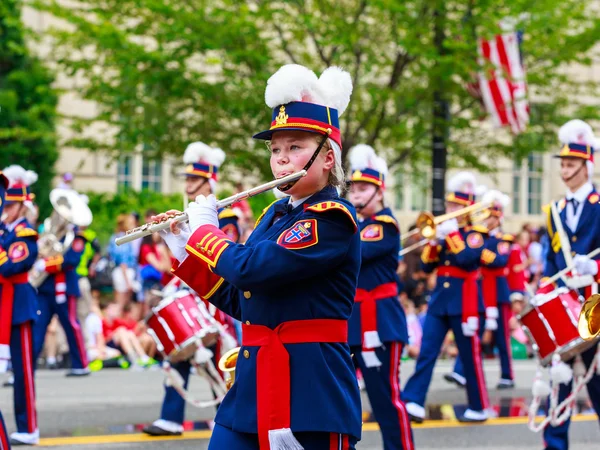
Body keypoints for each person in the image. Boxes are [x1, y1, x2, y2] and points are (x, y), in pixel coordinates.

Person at [156, 64, 362, 449]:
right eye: (276, 149)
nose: (282, 158)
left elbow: (252, 269)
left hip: (310, 389)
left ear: (328, 158)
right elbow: (242, 298)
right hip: (252, 385)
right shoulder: (274, 215)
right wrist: (186, 251)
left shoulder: (331, 218)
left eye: (296, 147)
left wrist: (205, 232)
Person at [142, 142, 241, 436]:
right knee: (178, 354)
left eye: (193, 179)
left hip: (214, 302)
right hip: (190, 298)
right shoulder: (183, 214)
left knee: (220, 365)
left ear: (209, 180)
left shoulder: (226, 217)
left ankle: (230, 420)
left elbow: (224, 257)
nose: (187, 184)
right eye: (186, 179)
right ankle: (171, 417)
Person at [403, 172, 489, 423]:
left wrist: (451, 236)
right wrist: (433, 242)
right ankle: (414, 400)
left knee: (469, 358)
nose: (450, 209)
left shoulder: (475, 234)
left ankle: (479, 405)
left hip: (465, 302)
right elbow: (426, 267)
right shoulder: (445, 233)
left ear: (467, 208)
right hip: (440, 301)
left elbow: (466, 260)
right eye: (450, 204)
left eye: (456, 205)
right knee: (427, 352)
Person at [347, 144, 414, 450]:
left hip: (380, 322)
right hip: (352, 323)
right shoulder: (354, 225)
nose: (356, 194)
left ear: (379, 191)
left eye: (363, 189)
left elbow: (355, 251)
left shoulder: (382, 226)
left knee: (385, 401)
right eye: (353, 189)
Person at [541, 119, 600, 450]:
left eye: (570, 163)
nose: (564, 169)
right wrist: (545, 288)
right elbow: (552, 258)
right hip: (563, 304)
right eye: (562, 164)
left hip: (594, 302)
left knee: (598, 383)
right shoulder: (554, 210)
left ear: (585, 165)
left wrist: (595, 266)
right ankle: (555, 445)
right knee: (557, 379)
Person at [445, 190, 515, 389]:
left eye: (491, 216)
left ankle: (507, 375)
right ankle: (461, 371)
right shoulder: (477, 234)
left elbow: (500, 260)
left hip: (498, 292)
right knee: (473, 333)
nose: (487, 219)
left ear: (498, 217)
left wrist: (478, 253)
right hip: (480, 289)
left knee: (501, 337)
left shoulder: (503, 239)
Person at [0, 166, 40, 445]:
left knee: (23, 369)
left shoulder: (25, 233)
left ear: (21, 207)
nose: (6, 209)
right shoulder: (4, 230)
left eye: (12, 205)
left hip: (19, 303)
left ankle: (29, 427)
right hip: (3, 301)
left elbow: (12, 266)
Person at [32, 191, 90, 378]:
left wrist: (45, 264)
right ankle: (25, 369)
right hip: (45, 289)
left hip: (64, 289)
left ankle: (81, 364)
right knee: (37, 328)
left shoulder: (77, 238)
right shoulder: (49, 232)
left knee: (71, 326)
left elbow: (69, 260)